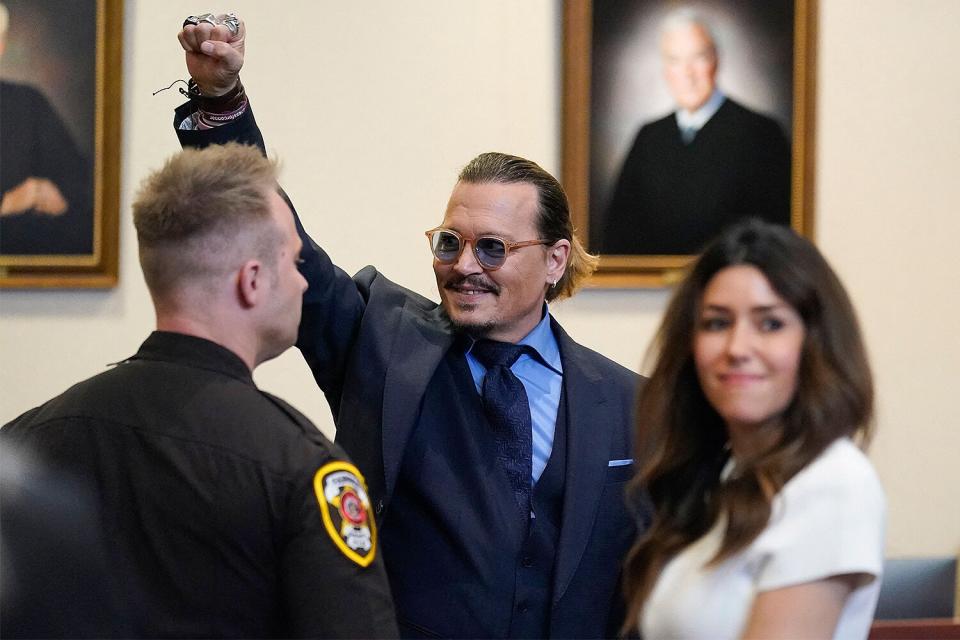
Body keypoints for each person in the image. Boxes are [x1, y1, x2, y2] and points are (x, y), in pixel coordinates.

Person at [173, 15, 648, 639]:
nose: (464, 266)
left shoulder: (631, 403)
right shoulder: (380, 340)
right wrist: (220, 103)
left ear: (555, 260)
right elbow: (274, 235)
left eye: (494, 249)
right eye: (450, 242)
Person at [0, 143, 398, 638]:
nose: (302, 284)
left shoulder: (24, 445)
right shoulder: (302, 468)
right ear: (252, 281)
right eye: (295, 263)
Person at [621, 219, 885, 639]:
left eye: (770, 324)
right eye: (717, 323)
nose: (737, 349)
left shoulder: (832, 482)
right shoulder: (724, 474)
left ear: (816, 343)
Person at [599, 8, 791, 256]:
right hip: (648, 290)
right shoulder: (649, 138)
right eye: (675, 60)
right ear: (666, 71)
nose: (687, 74)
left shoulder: (761, 134)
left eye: (698, 58)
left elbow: (776, 234)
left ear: (715, 61)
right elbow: (619, 232)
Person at [0, 1, 94, 255]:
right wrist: (7, 202)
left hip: (30, 261)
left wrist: (46, 191)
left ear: (3, 45)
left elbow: (76, 182)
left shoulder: (27, 103)